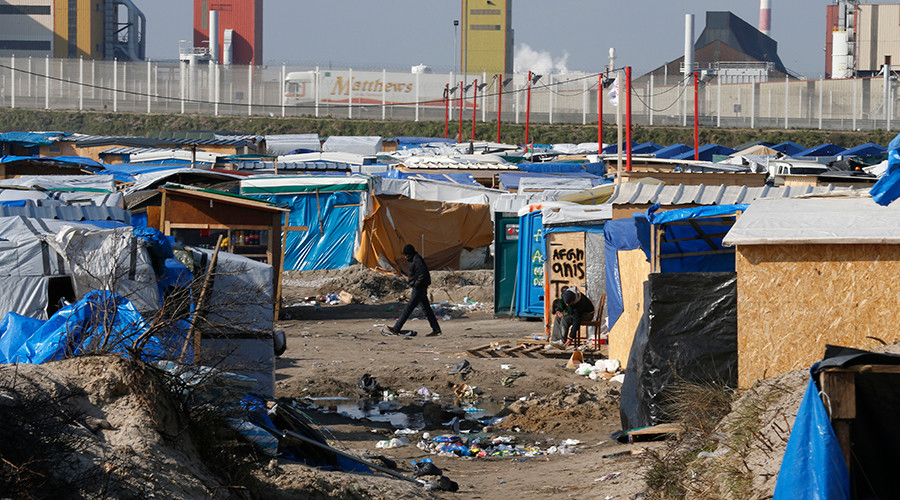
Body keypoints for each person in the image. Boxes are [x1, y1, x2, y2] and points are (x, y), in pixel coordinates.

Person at [383, 244, 442, 337]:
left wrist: (416, 284)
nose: (405, 257)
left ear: (410, 254)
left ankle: (396, 328)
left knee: (408, 308)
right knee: (427, 310)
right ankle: (436, 330)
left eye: (406, 255)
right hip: (420, 289)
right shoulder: (416, 259)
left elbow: (422, 274)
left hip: (418, 289)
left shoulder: (417, 260)